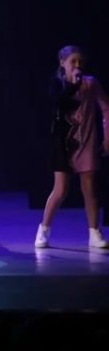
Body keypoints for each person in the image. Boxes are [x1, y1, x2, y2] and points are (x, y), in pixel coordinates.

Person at [34, 45, 109, 250]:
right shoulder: (56, 83)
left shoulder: (91, 83)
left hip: (87, 141)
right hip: (64, 144)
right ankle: (44, 229)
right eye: (72, 61)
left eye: (80, 62)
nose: (77, 65)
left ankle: (94, 232)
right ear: (62, 63)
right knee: (60, 190)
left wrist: (107, 137)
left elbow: (106, 107)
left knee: (89, 188)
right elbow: (58, 102)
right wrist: (73, 85)